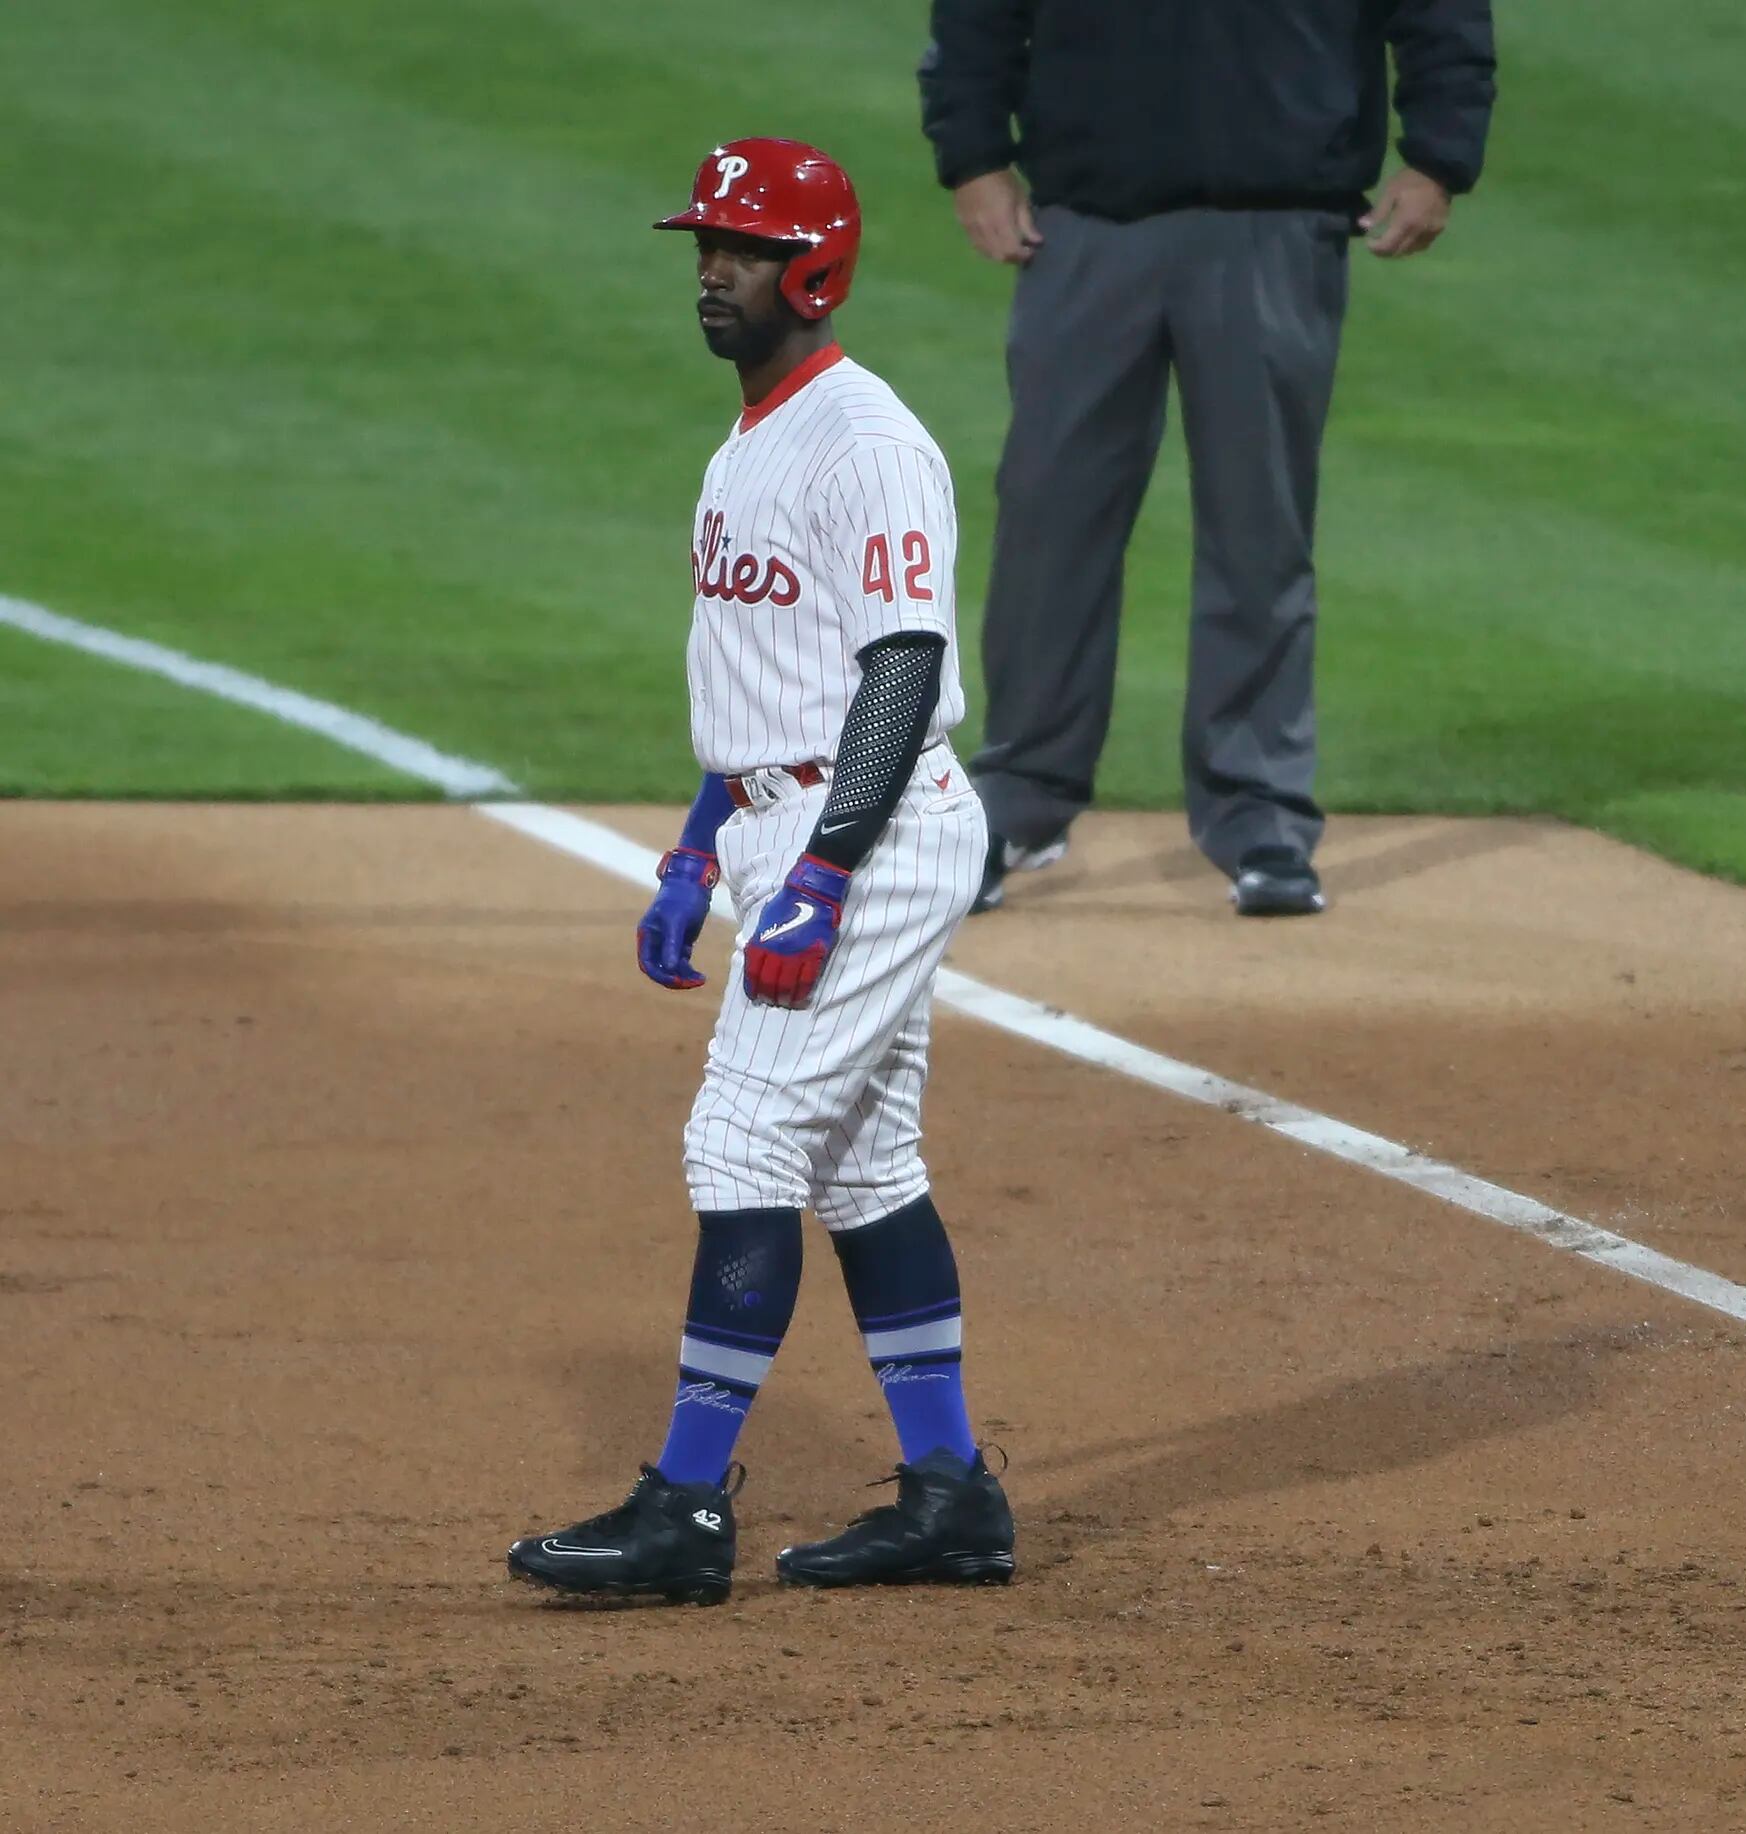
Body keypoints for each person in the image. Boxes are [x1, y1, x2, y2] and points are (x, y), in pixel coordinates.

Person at [507, 139, 1013, 1606]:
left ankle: (682, 1510)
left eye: (740, 246)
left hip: (875, 827)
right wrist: (694, 843)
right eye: (704, 245)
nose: (711, 270)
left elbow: (903, 666)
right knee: (861, 1162)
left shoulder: (865, 442)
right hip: (782, 818)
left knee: (741, 1147)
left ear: (815, 269)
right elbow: (764, 677)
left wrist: (828, 871)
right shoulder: (751, 439)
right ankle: (951, 1495)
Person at [920, 0, 1497, 917]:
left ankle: (1258, 810)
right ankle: (1020, 793)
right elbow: (978, 14)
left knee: (1258, 529)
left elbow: (1439, 12)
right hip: (1085, 220)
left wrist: (1439, 154)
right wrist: (975, 157)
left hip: (1280, 219)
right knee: (1050, 521)